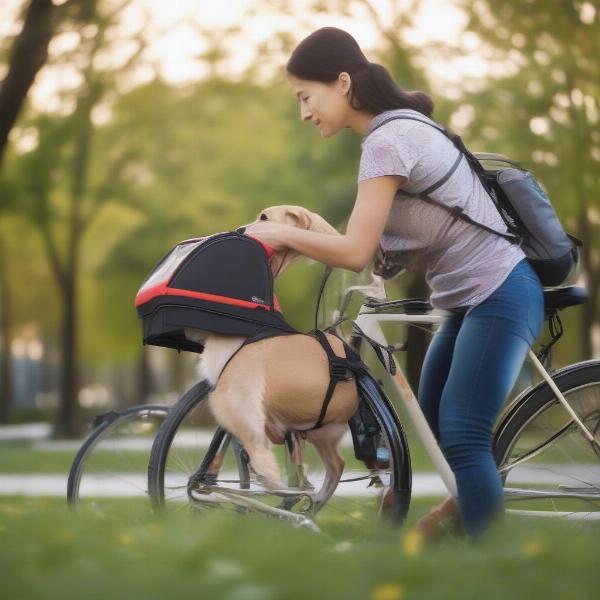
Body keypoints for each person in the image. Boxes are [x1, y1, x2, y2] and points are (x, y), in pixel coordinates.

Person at [246, 26, 545, 540]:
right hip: (469, 301)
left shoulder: (388, 140)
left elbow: (356, 252)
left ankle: (490, 563)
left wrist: (275, 231)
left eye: (305, 97)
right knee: (434, 424)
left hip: (499, 291)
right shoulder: (397, 130)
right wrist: (309, 237)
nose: (304, 112)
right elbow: (376, 253)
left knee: (463, 434)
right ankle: (445, 527)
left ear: (342, 83)